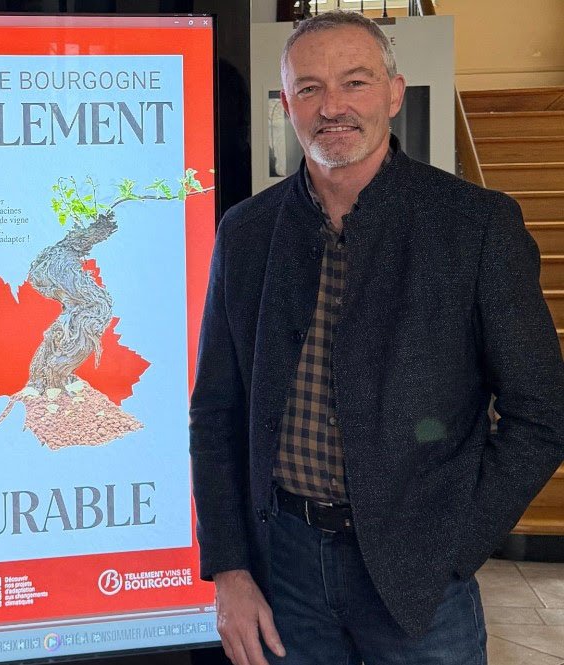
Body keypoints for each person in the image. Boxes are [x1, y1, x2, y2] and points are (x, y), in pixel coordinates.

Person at [190, 11, 564, 665]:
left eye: (355, 82)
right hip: (283, 570)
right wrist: (229, 568)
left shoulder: (475, 227)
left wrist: (455, 544)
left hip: (420, 579)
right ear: (287, 105)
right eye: (309, 88)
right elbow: (216, 412)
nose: (332, 106)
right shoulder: (247, 232)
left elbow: (542, 413)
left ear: (394, 93)